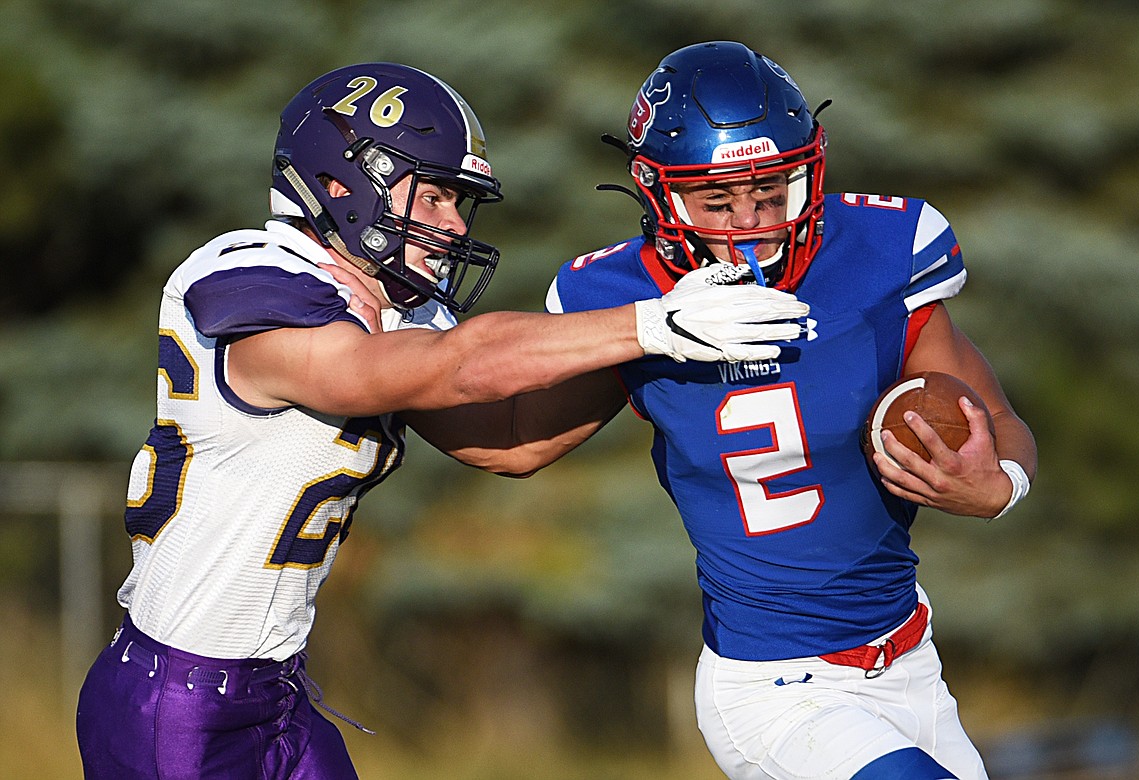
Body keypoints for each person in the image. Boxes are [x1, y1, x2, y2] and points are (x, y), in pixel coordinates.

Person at [73, 61, 811, 780]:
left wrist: (657, 337)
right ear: (343, 183)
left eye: (461, 202)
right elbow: (434, 366)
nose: (454, 224)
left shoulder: (395, 308)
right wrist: (651, 322)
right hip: (173, 701)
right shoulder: (250, 274)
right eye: (434, 197)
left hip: (276, 695)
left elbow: (511, 441)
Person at [464, 41, 1036, 780]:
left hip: (911, 662)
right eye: (718, 200)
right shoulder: (623, 296)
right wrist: (382, 373)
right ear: (658, 193)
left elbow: (995, 417)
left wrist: (1002, 485)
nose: (751, 222)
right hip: (779, 690)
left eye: (773, 192)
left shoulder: (878, 255)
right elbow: (514, 443)